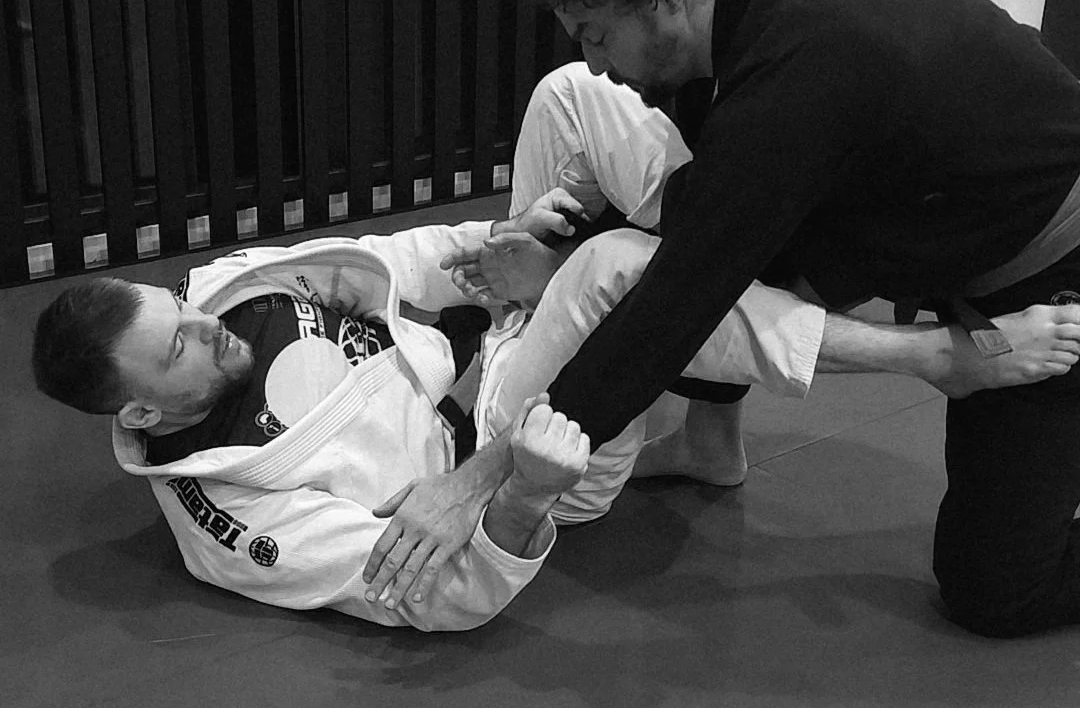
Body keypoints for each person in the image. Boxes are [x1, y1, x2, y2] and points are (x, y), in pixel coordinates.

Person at [364, 0, 1080, 639]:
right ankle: (714, 444)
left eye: (598, 34)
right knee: (705, 241)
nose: (595, 63)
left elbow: (670, 312)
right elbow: (708, 233)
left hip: (1051, 269)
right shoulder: (737, 10)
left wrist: (473, 483)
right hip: (936, 217)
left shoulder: (794, 76)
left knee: (992, 590)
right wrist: (565, 263)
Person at [32, 171, 1061, 632]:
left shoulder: (225, 291)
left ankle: (709, 432)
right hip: (523, 452)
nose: (200, 318)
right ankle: (928, 355)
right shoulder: (234, 518)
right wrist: (524, 502)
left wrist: (501, 242)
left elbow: (390, 258)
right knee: (620, 262)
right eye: (176, 344)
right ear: (139, 413)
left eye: (176, 305)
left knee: (575, 94)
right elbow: (427, 597)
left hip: (502, 343)